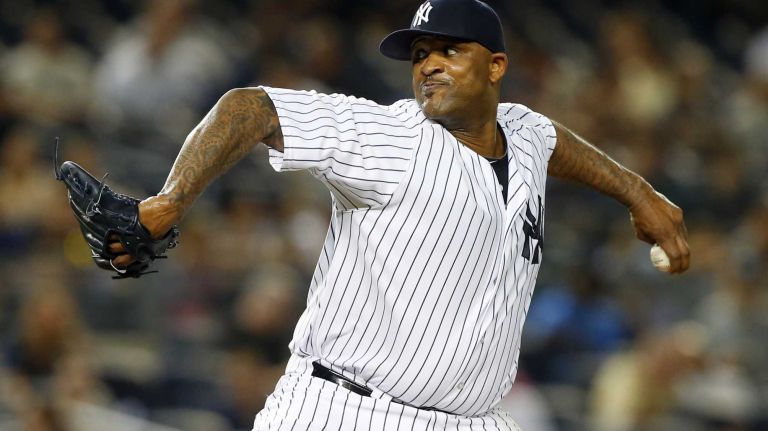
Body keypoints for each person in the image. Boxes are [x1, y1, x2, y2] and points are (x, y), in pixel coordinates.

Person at [109, 0, 690, 429]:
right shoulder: (390, 137)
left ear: (496, 67)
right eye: (419, 55)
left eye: (450, 51)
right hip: (347, 409)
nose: (429, 65)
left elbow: (554, 141)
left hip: (475, 419)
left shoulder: (523, 132)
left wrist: (640, 196)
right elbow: (251, 107)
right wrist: (171, 199)